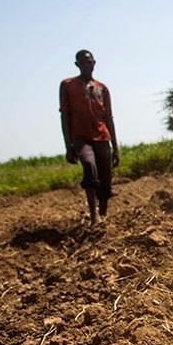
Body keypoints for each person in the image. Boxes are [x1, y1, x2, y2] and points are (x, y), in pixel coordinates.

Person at [60, 50, 120, 226]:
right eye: (83, 62)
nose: (87, 65)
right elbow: (65, 116)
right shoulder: (67, 85)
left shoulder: (102, 88)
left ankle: (103, 213)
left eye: (89, 62)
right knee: (88, 165)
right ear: (77, 64)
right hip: (81, 137)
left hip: (102, 136)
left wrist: (115, 147)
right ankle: (94, 215)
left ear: (94, 63)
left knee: (105, 176)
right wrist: (68, 145)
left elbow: (109, 118)